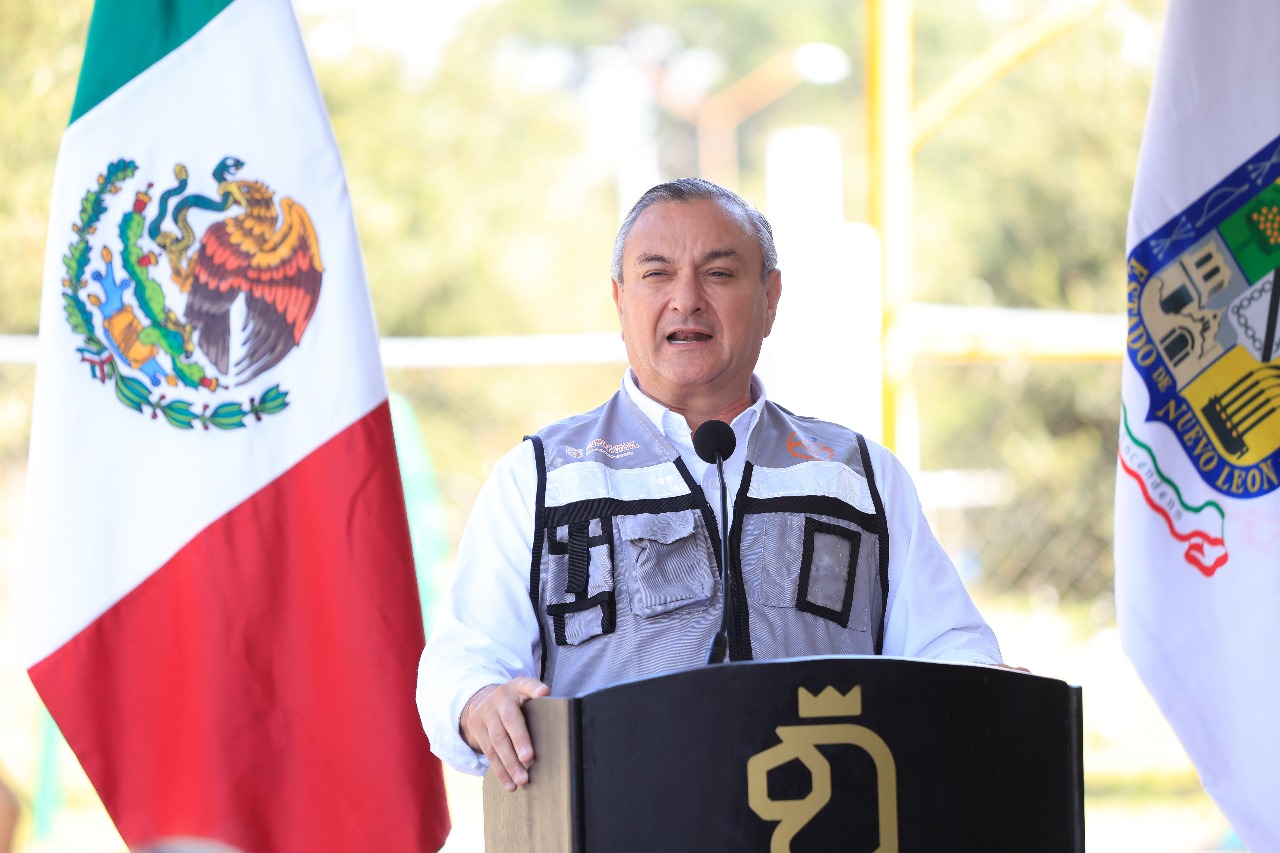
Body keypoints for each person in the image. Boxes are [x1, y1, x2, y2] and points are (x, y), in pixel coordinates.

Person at [417, 178, 1004, 792]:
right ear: (619, 299)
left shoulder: (857, 476)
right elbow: (462, 659)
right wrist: (476, 700)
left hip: (830, 817)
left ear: (771, 297)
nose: (687, 300)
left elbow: (949, 645)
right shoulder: (542, 478)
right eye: (657, 274)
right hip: (620, 816)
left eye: (719, 274)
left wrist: (981, 684)